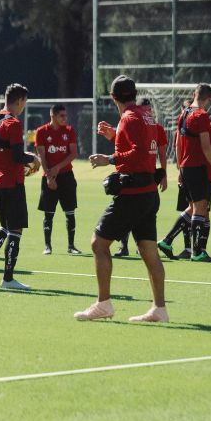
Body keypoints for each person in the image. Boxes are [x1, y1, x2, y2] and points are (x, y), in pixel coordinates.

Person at [75, 75, 168, 322]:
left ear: (113, 97)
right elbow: (141, 144)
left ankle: (103, 304)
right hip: (149, 192)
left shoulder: (129, 117)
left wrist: (110, 159)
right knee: (149, 251)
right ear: (134, 94)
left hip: (133, 194)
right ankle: (159, 309)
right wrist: (115, 135)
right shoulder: (146, 115)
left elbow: (136, 154)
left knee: (98, 243)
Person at [0, 84, 38, 291]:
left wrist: (3, 161)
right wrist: (34, 158)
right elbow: (18, 156)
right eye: (24, 103)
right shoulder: (13, 123)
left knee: (5, 226)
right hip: (12, 182)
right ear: (19, 101)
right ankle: (8, 278)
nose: (23, 107)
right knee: (16, 229)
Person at [160, 83, 211, 262]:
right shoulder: (201, 115)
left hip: (187, 167)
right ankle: (197, 252)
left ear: (194, 94)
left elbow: (177, 144)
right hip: (198, 167)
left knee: (193, 208)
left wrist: (181, 167)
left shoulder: (184, 113)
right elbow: (206, 147)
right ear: (209, 98)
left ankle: (167, 241)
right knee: (201, 208)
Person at [115, 97, 168, 257]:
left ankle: (143, 245)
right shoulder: (129, 122)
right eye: (144, 110)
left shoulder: (156, 127)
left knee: (147, 212)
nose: (147, 113)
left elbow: (162, 152)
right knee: (126, 213)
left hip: (148, 177)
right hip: (130, 175)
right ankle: (123, 246)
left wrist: (164, 174)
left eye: (149, 110)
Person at [35, 104, 81, 256]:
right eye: (62, 116)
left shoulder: (69, 131)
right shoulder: (41, 132)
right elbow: (42, 156)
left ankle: (71, 246)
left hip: (66, 176)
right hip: (48, 176)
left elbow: (73, 153)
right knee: (48, 214)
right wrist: (49, 177)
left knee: (70, 212)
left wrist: (58, 168)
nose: (65, 118)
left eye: (66, 116)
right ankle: (47, 246)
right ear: (52, 116)